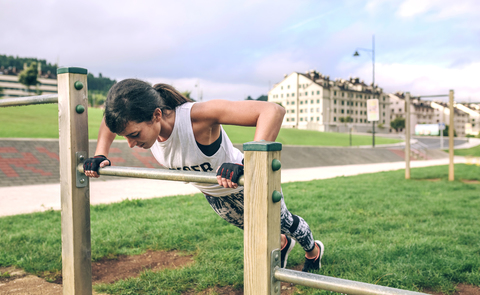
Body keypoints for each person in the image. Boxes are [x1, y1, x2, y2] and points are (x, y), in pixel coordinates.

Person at [83, 79, 324, 272]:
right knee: (258, 230)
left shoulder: (197, 117)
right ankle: (282, 245)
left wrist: (249, 162)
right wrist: (101, 153)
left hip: (246, 182)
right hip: (214, 194)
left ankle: (313, 251)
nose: (131, 144)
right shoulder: (136, 121)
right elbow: (108, 120)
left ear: (156, 115)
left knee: (284, 223)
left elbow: (272, 111)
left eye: (134, 134)